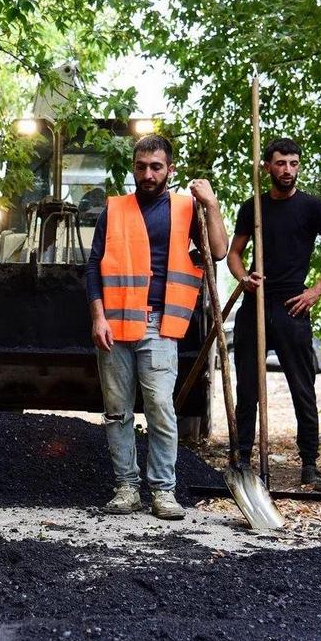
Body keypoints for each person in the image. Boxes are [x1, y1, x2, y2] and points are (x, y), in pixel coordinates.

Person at [86, 134, 229, 520]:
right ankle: (126, 488)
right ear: (134, 167)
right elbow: (94, 267)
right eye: (141, 166)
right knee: (117, 412)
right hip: (114, 326)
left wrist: (211, 204)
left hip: (158, 325)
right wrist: (98, 316)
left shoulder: (187, 208)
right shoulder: (113, 210)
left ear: (170, 169)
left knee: (161, 410)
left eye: (156, 167)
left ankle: (163, 491)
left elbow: (217, 251)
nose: (147, 174)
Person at [227, 138, 321, 491]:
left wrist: (315, 291)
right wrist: (242, 277)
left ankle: (310, 464)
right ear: (267, 167)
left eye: (293, 163)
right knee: (247, 384)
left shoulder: (311, 207)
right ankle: (243, 459)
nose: (287, 170)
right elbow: (235, 254)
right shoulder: (253, 207)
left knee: (302, 386)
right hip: (256, 303)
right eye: (280, 163)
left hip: (292, 307)